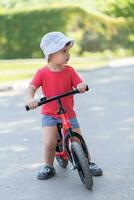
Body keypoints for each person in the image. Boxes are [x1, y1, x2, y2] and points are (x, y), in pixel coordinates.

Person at [26, 32, 103, 180]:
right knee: (49, 142)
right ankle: (48, 166)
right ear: (51, 54)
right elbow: (31, 88)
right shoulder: (42, 72)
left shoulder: (70, 71)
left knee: (78, 139)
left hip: (68, 113)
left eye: (68, 51)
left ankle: (89, 162)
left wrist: (80, 86)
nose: (68, 54)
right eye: (64, 51)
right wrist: (31, 99)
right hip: (49, 114)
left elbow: (78, 82)